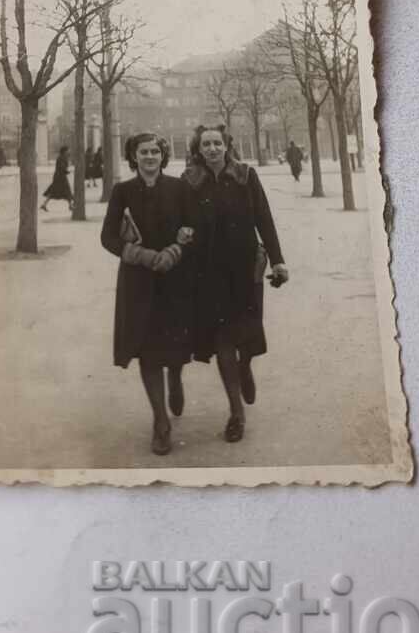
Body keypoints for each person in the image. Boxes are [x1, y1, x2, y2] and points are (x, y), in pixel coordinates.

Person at [182, 123, 289, 443]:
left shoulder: (246, 176)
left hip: (245, 270)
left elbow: (264, 219)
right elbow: (180, 221)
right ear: (198, 150)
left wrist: (279, 259)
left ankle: (246, 366)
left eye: (217, 143)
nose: (212, 149)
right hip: (209, 274)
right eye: (206, 145)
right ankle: (236, 413)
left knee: (248, 333)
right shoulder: (190, 182)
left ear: (227, 145)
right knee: (223, 341)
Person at [101, 133, 196, 456]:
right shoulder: (122, 192)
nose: (150, 156)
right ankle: (161, 422)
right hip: (139, 284)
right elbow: (108, 237)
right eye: (143, 152)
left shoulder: (179, 188)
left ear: (163, 156)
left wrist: (174, 251)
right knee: (148, 349)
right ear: (134, 157)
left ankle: (177, 378)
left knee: (176, 343)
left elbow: (193, 226)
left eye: (155, 151)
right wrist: (141, 256)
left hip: (175, 280)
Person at [41, 146, 74, 213]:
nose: (69, 151)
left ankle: (44, 204)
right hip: (60, 177)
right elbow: (62, 168)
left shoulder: (62, 157)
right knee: (66, 191)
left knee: (54, 192)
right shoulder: (62, 158)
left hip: (59, 177)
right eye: (68, 150)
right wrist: (67, 171)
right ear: (64, 151)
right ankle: (70, 205)